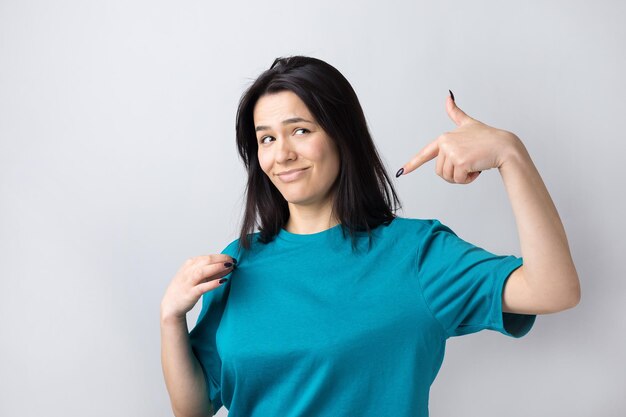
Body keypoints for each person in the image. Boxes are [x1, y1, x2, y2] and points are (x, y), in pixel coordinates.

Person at [160, 55, 581, 417]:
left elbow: (554, 289)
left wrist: (511, 155)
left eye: (301, 131)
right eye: (266, 138)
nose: (281, 153)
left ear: (343, 136)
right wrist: (171, 319)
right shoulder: (238, 261)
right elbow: (194, 407)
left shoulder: (416, 255)